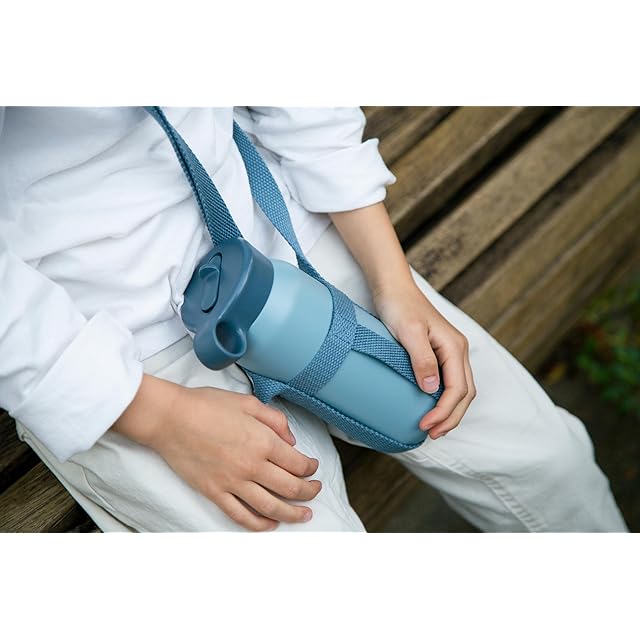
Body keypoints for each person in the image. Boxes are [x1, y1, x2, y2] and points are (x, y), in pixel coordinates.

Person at [0, 106, 627, 532]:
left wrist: (394, 284)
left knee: (548, 462)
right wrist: (159, 417)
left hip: (269, 232)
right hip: (102, 342)